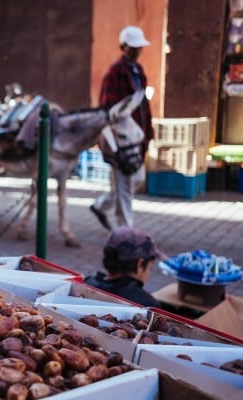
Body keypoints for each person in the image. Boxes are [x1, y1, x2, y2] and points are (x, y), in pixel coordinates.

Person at [90, 26, 154, 230]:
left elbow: (144, 105)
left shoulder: (139, 72)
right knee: (125, 186)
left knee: (137, 179)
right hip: (122, 141)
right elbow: (108, 111)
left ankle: (102, 205)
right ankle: (125, 232)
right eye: (132, 47)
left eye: (138, 48)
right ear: (123, 47)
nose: (136, 51)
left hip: (136, 137)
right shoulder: (114, 74)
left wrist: (147, 132)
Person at [84, 226, 161, 308]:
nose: (149, 272)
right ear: (139, 264)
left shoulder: (87, 283)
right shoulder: (147, 305)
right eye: (150, 268)